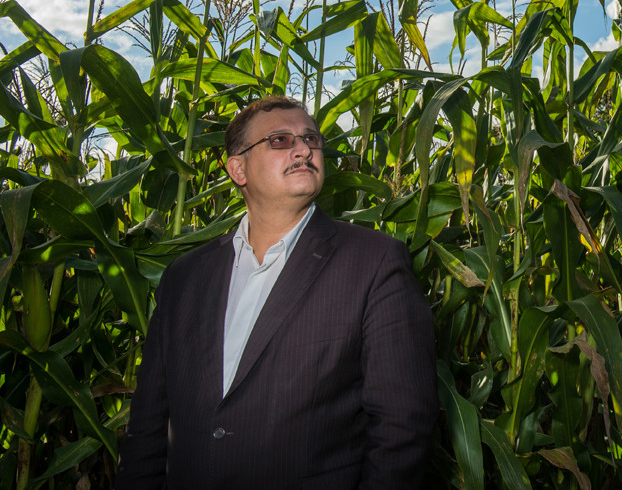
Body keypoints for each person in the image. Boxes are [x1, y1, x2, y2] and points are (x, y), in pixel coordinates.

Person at [115, 95, 437, 489]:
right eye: (280, 141)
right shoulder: (183, 278)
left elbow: (402, 429)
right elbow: (146, 428)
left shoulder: (375, 262)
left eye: (311, 139)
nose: (304, 149)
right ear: (238, 169)